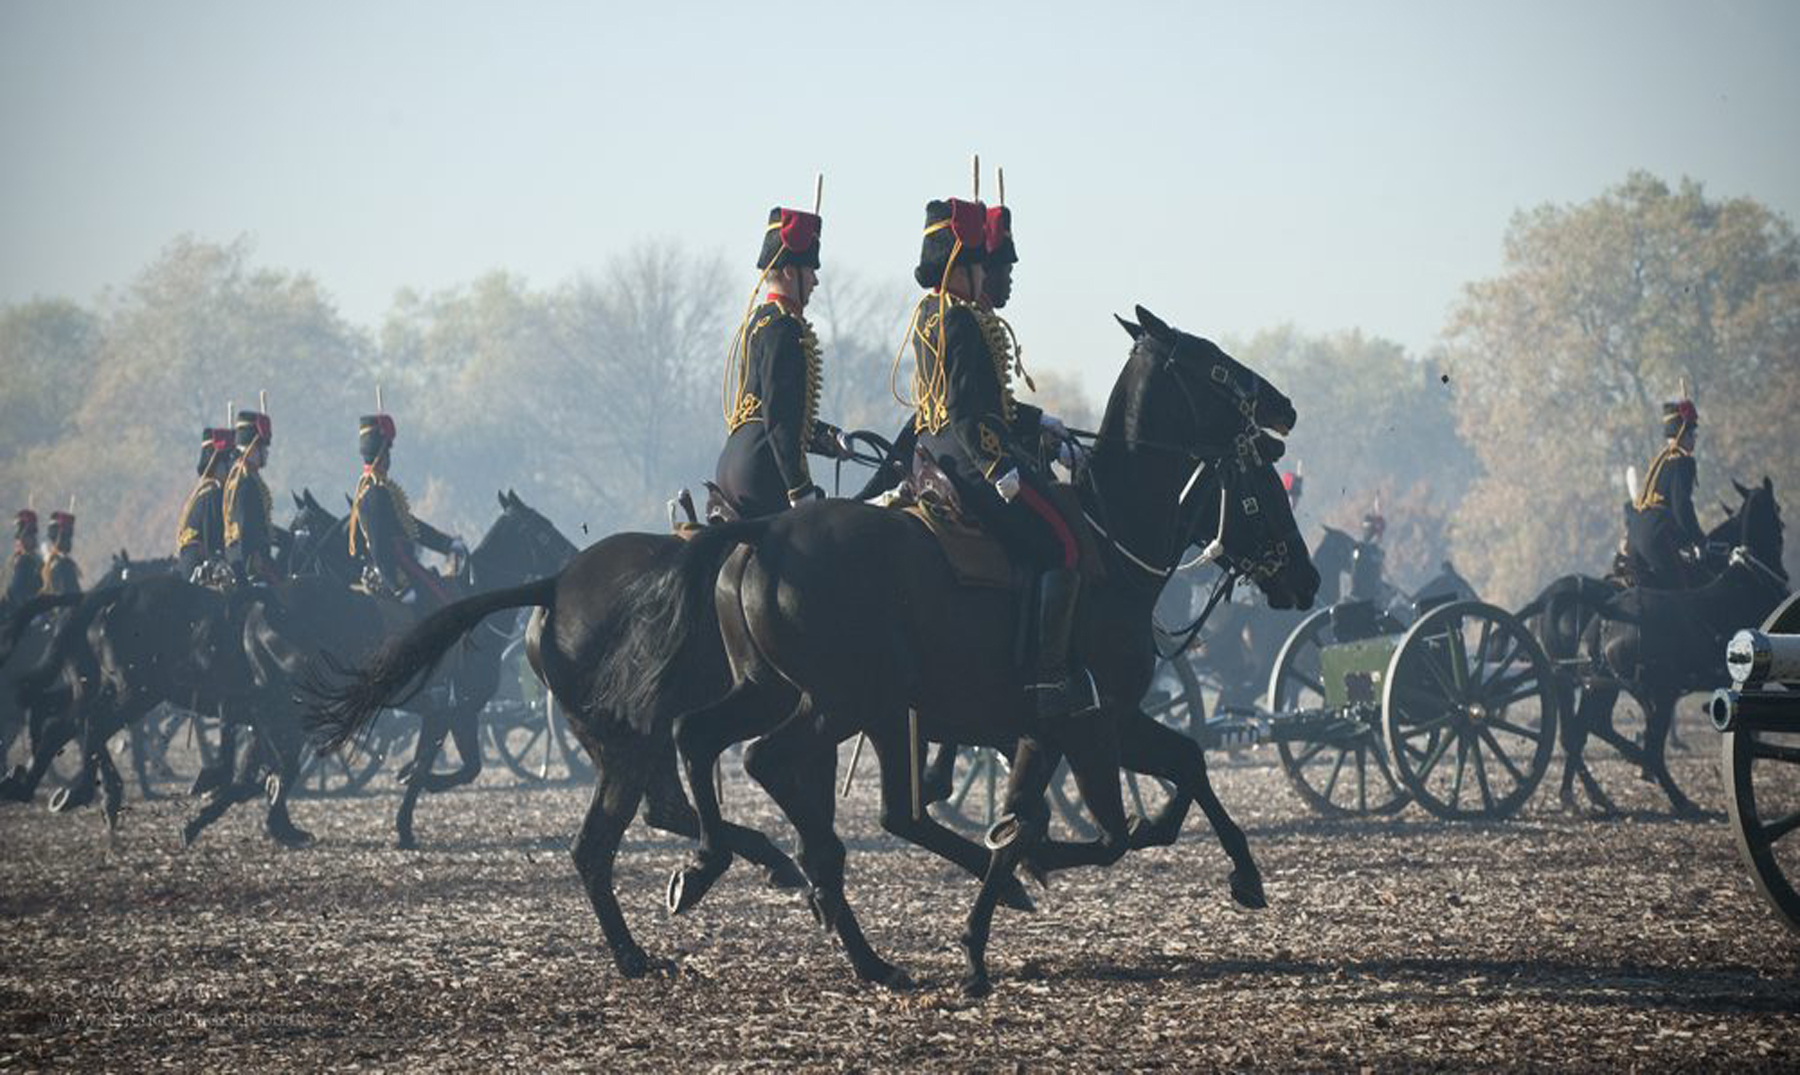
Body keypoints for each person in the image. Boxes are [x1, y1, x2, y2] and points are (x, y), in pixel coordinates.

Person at [907, 196, 1085, 723]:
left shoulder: (928, 314)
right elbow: (968, 413)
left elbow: (983, 402)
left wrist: (1038, 421)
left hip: (936, 453)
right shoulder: (961, 322)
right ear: (958, 267)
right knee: (1064, 545)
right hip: (972, 462)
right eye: (977, 264)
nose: (985, 274)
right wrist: (998, 468)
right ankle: (1047, 676)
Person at [715, 205, 852, 517]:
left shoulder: (758, 320)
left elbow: (772, 408)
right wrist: (800, 489)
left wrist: (828, 438)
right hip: (761, 470)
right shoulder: (785, 327)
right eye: (810, 270)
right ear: (790, 272)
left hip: (732, 465)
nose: (815, 281)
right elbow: (779, 418)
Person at [348, 412, 465, 606]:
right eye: (388, 452)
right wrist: (397, 586)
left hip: (405, 562)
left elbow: (409, 526)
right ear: (382, 455)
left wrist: (446, 544)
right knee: (442, 600)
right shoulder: (374, 493)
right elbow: (378, 547)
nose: (390, 458)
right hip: (399, 568)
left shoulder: (378, 488)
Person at [1624, 398, 1704, 588]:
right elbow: (1682, 508)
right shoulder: (1683, 462)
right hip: (1655, 535)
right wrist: (1700, 540)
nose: (1694, 438)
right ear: (1682, 433)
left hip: (1635, 536)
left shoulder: (1661, 460)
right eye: (1692, 433)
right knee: (1683, 590)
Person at [223, 409, 278, 584]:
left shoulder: (239, 476)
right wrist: (255, 563)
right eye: (263, 448)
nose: (267, 453)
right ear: (253, 447)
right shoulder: (246, 482)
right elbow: (246, 528)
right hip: (251, 565)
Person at [176, 427, 235, 582]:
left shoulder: (204, 490)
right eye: (228, 462)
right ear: (218, 465)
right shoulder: (212, 494)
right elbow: (212, 543)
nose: (231, 467)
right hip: (198, 569)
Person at [3, 509, 42, 612]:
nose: (33, 538)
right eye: (29, 535)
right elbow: (17, 593)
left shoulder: (34, 560)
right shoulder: (24, 561)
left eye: (33, 535)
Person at [40, 510, 80, 596]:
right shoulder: (62, 565)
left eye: (69, 536)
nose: (68, 541)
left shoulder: (65, 563)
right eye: (65, 536)